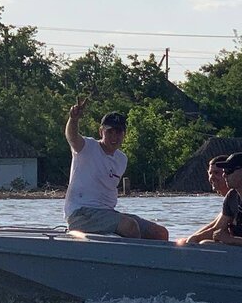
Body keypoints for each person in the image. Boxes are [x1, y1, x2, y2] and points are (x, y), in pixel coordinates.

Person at [63, 97, 168, 240]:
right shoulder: (86, 147)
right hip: (81, 214)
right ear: (101, 132)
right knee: (129, 227)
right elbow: (72, 136)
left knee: (160, 233)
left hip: (107, 213)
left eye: (118, 132)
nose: (114, 137)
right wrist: (73, 119)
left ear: (124, 134)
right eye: (110, 132)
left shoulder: (122, 159)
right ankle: (132, 261)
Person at [176, 155, 230, 245]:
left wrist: (194, 239)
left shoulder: (236, 196)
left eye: (217, 173)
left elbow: (217, 229)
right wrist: (191, 238)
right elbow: (213, 224)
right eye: (210, 173)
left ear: (227, 174)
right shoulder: (229, 199)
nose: (212, 177)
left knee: (204, 243)